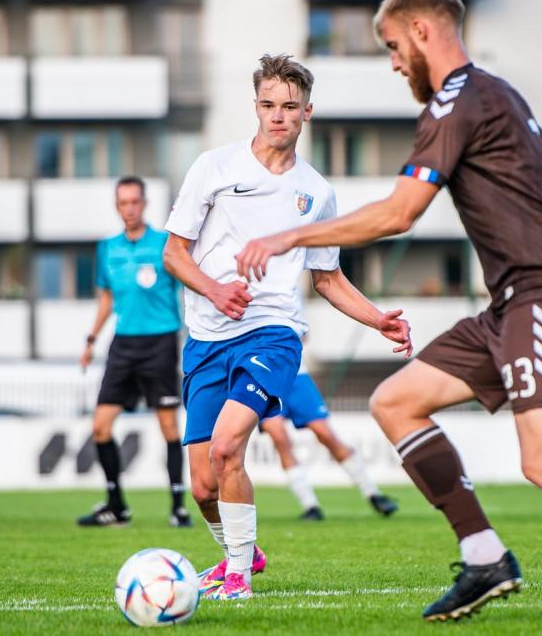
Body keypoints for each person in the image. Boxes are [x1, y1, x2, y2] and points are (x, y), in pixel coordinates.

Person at [235, 0, 542, 627]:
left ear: (423, 32)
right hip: (511, 303)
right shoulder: (501, 94)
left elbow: (399, 212)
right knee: (395, 401)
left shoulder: (452, 103)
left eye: (392, 45)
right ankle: (485, 554)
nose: (393, 61)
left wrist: (289, 234)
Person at [162, 54, 412, 602]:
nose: (279, 116)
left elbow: (327, 278)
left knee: (229, 447)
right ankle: (243, 552)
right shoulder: (214, 167)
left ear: (307, 113)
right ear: (256, 107)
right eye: (269, 105)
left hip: (272, 333)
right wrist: (215, 288)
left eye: (290, 107)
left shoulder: (316, 192)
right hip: (205, 338)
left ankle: (237, 578)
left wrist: (379, 320)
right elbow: (174, 255)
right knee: (203, 485)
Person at [76, 176, 190, 528]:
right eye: (123, 202)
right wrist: (92, 339)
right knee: (100, 426)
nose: (129, 208)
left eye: (134, 202)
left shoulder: (164, 244)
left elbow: (187, 288)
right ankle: (116, 506)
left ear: (144, 204)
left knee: (169, 425)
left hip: (161, 341)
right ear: (116, 205)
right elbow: (106, 297)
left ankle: (177, 506)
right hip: (123, 344)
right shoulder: (107, 248)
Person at [259, 354, 398, 520]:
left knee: (325, 434)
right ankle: (311, 506)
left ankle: (373, 494)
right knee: (279, 437)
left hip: (296, 375)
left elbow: (304, 334)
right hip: (263, 377)